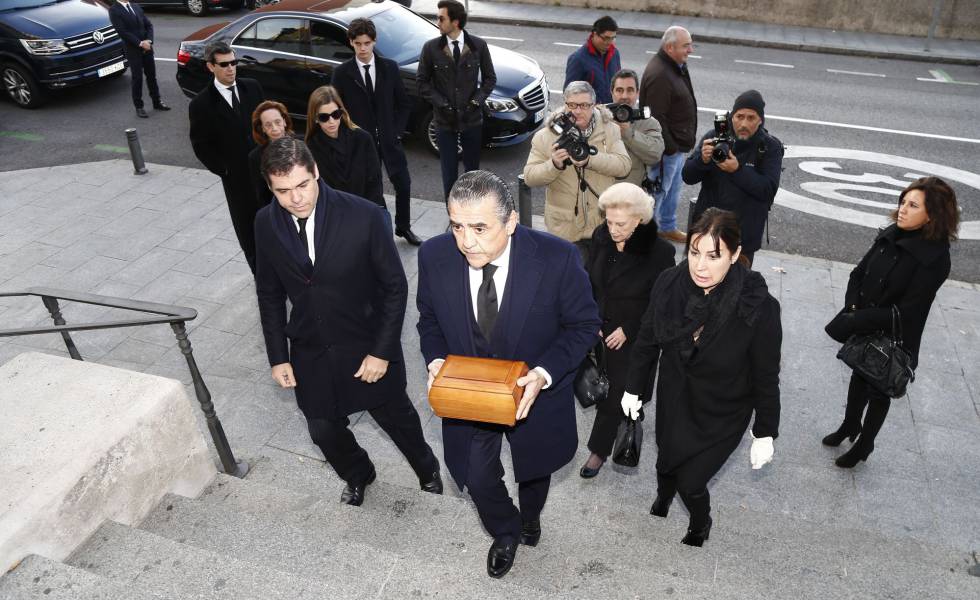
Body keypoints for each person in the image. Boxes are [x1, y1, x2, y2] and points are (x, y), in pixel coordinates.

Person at [416, 170, 600, 578]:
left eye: (480, 227)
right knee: (475, 476)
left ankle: (531, 517)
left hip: (535, 394)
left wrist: (543, 373)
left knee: (534, 469)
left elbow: (584, 325)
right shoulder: (434, 256)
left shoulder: (557, 258)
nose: (466, 241)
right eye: (457, 226)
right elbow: (428, 319)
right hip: (471, 393)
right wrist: (435, 359)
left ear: (512, 221)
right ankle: (506, 529)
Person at [254, 137, 442, 507]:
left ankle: (427, 469)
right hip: (311, 349)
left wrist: (382, 352)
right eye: (283, 191)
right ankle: (359, 473)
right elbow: (269, 294)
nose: (296, 198)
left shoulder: (365, 216)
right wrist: (278, 356)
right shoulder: (265, 223)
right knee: (323, 429)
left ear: (316, 173)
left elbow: (394, 288)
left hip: (366, 345)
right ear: (270, 188)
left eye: (302, 185)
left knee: (397, 418)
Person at [621, 208, 781, 547]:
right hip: (676, 394)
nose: (700, 266)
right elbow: (647, 341)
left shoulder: (759, 306)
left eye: (714, 256)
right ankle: (663, 497)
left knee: (691, 482)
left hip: (724, 409)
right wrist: (634, 388)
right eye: (695, 253)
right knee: (666, 458)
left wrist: (765, 431)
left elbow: (766, 375)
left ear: (736, 255)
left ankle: (700, 521)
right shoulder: (669, 284)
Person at [823, 177, 958, 468]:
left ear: (931, 215)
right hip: (866, 316)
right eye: (902, 202)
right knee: (859, 372)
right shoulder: (892, 233)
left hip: (897, 332)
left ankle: (865, 445)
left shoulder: (936, 258)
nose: (902, 210)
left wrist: (857, 319)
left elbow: (908, 311)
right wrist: (853, 308)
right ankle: (850, 425)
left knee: (879, 385)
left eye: (912, 205)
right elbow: (858, 273)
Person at [579, 183, 674, 478]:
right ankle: (627, 413)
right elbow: (590, 283)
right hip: (600, 331)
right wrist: (591, 318)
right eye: (608, 221)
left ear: (639, 220)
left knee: (616, 394)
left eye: (620, 224)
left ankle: (598, 451)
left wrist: (629, 329)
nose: (613, 229)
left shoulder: (660, 253)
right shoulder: (601, 237)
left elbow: (661, 303)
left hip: (634, 338)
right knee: (596, 386)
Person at [332, 17, 422, 246]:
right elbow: (337, 110)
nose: (363, 48)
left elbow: (404, 104)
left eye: (367, 43)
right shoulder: (342, 73)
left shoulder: (389, 68)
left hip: (390, 141)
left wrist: (397, 132)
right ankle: (377, 233)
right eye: (358, 43)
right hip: (361, 143)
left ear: (374, 41)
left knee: (403, 184)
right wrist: (349, 136)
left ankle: (404, 227)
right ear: (351, 42)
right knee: (372, 189)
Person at [523, 80, 630, 264]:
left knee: (598, 283)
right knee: (567, 283)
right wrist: (554, 164)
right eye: (571, 105)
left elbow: (624, 166)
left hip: (601, 224)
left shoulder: (609, 130)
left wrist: (590, 160)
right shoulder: (546, 135)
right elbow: (529, 177)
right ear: (564, 104)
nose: (577, 111)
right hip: (564, 228)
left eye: (583, 105)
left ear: (594, 105)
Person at [189, 41, 265, 274]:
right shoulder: (201, 104)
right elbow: (201, 146)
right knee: (249, 234)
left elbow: (269, 123)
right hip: (238, 183)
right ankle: (261, 279)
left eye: (233, 62)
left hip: (266, 175)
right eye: (224, 65)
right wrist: (226, 170)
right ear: (210, 67)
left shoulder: (252, 88)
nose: (231, 68)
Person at [683, 90, 783, 266]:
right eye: (739, 116)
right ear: (731, 117)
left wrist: (737, 170)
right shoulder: (714, 137)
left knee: (737, 288)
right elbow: (688, 176)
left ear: (760, 120)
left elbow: (767, 190)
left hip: (743, 238)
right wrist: (702, 160)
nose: (744, 123)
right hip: (707, 231)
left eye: (751, 118)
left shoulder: (770, 147)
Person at [417, 0, 497, 200]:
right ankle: (453, 212)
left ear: (456, 22)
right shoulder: (431, 48)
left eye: (441, 18)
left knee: (472, 173)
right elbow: (422, 83)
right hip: (444, 122)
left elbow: (490, 79)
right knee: (449, 172)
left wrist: (476, 102)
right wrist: (442, 103)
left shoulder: (478, 46)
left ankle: (472, 208)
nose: (437, 22)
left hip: (472, 120)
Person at [640, 26, 697, 244]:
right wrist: (671, 147)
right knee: (658, 192)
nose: (690, 50)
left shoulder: (676, 66)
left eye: (691, 44)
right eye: (686, 45)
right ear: (670, 47)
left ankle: (667, 227)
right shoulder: (661, 74)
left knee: (672, 189)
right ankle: (648, 235)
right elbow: (656, 117)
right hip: (667, 149)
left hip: (676, 146)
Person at [304, 86, 390, 230]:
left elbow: (374, 181)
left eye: (335, 114)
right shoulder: (310, 148)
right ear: (315, 119)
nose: (331, 121)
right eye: (324, 117)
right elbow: (318, 190)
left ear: (342, 112)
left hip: (370, 209)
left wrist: (366, 213)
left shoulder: (362, 138)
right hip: (335, 218)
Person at [108, 0, 169, 118]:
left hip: (147, 48)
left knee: (152, 76)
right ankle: (139, 107)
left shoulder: (135, 6)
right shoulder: (114, 10)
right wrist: (140, 43)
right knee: (137, 78)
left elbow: (148, 25)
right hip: (133, 50)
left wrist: (149, 41)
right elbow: (123, 32)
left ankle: (157, 102)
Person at [609, 69, 664, 189]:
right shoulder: (600, 117)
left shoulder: (648, 122)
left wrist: (627, 133)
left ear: (637, 93)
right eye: (619, 90)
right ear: (612, 93)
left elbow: (655, 155)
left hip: (631, 195)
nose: (624, 96)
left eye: (630, 90)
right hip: (600, 194)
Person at [563, 16, 621, 105]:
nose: (609, 42)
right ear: (594, 34)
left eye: (613, 38)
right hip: (590, 115)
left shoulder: (615, 54)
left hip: (611, 112)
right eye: (605, 38)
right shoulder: (577, 59)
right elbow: (569, 94)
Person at [248, 100, 294, 208]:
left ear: (284, 121)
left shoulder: (303, 144)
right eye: (268, 125)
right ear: (262, 128)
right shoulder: (256, 158)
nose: (274, 128)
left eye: (277, 122)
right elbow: (262, 196)